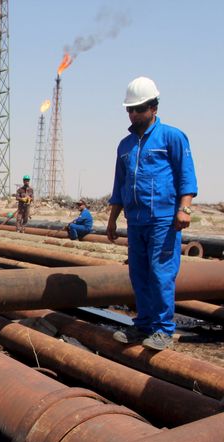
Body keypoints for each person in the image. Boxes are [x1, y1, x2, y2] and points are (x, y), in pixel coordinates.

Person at [107, 77, 197, 351]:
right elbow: (119, 185)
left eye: (138, 109)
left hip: (163, 219)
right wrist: (112, 219)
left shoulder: (172, 137)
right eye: (129, 110)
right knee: (139, 274)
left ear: (153, 108)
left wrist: (184, 208)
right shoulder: (125, 146)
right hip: (135, 221)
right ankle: (144, 325)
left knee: (160, 273)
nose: (133, 114)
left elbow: (186, 176)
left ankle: (163, 330)